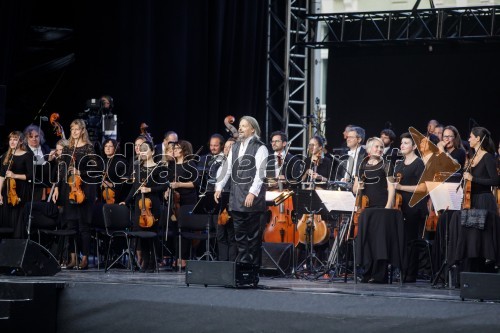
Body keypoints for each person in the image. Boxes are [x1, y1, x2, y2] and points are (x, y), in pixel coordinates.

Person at [214, 116, 268, 267]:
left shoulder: (260, 147)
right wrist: (219, 187)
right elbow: (227, 168)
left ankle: (253, 269)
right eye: (240, 125)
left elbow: (261, 173)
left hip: (252, 198)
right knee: (240, 236)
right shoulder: (236, 146)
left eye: (244, 126)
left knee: (253, 237)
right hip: (236, 197)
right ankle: (243, 266)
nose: (240, 128)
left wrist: (252, 192)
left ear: (253, 129)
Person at [52, 119, 100, 270]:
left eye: (77, 129)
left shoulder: (89, 148)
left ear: (82, 131)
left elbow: (96, 169)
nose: (74, 132)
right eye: (72, 129)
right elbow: (62, 169)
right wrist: (57, 188)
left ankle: (84, 258)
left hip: (85, 189)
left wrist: (81, 172)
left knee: (84, 226)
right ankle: (73, 258)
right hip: (69, 189)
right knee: (71, 224)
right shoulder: (67, 148)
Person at [121, 140, 170, 272]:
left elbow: (165, 185)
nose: (142, 152)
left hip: (153, 205)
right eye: (141, 149)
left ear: (153, 152)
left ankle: (153, 262)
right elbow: (134, 187)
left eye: (145, 149)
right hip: (139, 204)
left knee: (152, 234)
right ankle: (146, 262)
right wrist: (126, 201)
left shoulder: (159, 168)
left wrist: (150, 190)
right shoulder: (137, 167)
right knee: (141, 234)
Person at [354, 137, 397, 283]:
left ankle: (380, 275)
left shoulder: (386, 164)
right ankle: (366, 273)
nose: (379, 150)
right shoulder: (362, 164)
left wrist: (388, 206)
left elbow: (392, 187)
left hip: (381, 207)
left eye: (381, 147)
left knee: (379, 242)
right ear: (369, 149)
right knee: (367, 241)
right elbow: (355, 188)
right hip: (366, 208)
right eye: (376, 147)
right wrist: (357, 187)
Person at [394, 133, 428, 282]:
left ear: (414, 146)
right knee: (402, 240)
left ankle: (410, 274)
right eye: (402, 143)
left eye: (406, 143)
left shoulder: (419, 163)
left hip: (414, 207)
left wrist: (401, 186)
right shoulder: (400, 164)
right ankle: (402, 270)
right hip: (401, 206)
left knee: (411, 241)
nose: (402, 145)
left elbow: (423, 188)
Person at [168, 140, 199, 269]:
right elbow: (169, 182)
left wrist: (179, 184)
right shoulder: (172, 165)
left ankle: (184, 258)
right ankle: (177, 257)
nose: (174, 150)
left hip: (188, 200)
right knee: (175, 230)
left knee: (185, 229)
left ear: (184, 150)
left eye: (178, 148)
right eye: (174, 148)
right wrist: (168, 190)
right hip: (175, 202)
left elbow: (195, 183)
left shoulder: (190, 164)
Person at [0, 131, 34, 238]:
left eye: (15, 139)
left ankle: (17, 245)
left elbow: (30, 176)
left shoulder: (27, 155)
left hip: (21, 191)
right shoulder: (5, 156)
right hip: (7, 190)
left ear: (20, 141)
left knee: (18, 219)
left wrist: (14, 175)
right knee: (6, 218)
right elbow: (1, 176)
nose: (12, 142)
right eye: (11, 139)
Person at [215, 138, 237, 261]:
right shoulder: (220, 163)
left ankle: (231, 263)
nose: (227, 149)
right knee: (220, 234)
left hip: (232, 202)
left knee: (231, 234)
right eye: (226, 147)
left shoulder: (237, 165)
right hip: (220, 203)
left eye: (230, 147)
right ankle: (223, 262)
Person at [23, 124, 52, 201]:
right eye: (31, 137)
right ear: (26, 138)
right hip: (31, 187)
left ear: (40, 137)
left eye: (36, 136)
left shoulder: (46, 148)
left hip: (46, 186)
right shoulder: (24, 150)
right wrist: (47, 161)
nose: (34, 139)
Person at [100, 139, 128, 204]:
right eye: (106, 146)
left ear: (115, 148)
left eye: (110, 146)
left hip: (117, 195)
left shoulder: (121, 162)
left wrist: (112, 184)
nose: (108, 148)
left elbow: (125, 181)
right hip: (103, 196)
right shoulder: (102, 162)